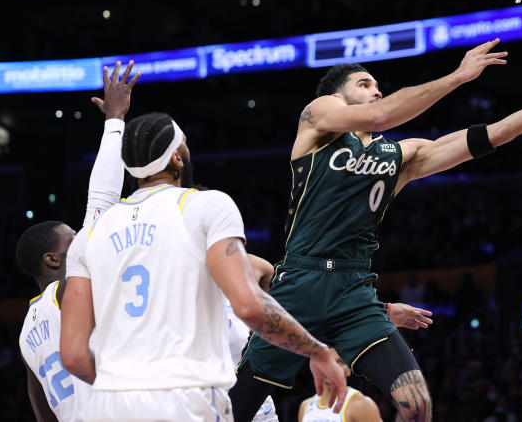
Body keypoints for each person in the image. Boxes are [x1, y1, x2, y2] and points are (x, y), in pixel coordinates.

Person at [230, 38, 522, 422]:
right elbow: (380, 116)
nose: (376, 90)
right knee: (238, 408)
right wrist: (459, 77)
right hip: (300, 280)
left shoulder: (402, 155)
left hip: (354, 289)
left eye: (377, 86)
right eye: (364, 84)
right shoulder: (319, 118)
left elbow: (491, 135)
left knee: (417, 405)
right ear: (338, 95)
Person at [59, 111, 348, 421]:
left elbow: (74, 355)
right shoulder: (206, 205)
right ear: (177, 158)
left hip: (108, 404)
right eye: (185, 143)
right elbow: (249, 305)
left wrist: (123, 387)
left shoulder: (91, 234)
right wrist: (317, 350)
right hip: (185, 398)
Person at [17, 60, 140, 421]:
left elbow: (43, 414)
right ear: (53, 260)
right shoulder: (69, 289)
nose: (83, 237)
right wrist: (115, 119)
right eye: (73, 238)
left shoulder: (26, 333)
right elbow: (101, 198)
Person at [231, 256, 433, 422]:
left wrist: (381, 311)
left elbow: (304, 299)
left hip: (251, 405)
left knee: (417, 404)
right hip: (209, 394)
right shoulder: (306, 406)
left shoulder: (247, 265)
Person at [298, 379, 382, 422]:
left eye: (339, 362)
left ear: (348, 369)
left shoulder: (361, 404)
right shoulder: (305, 405)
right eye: (326, 361)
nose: (332, 367)